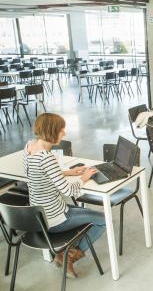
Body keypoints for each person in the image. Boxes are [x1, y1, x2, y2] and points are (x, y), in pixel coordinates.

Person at [23, 113, 105, 278]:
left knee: (82, 212)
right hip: (55, 218)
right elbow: (70, 191)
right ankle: (68, 255)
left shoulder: (29, 147)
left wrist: (67, 172)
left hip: (38, 216)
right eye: (61, 130)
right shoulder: (47, 158)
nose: (64, 133)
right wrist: (83, 178)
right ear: (52, 131)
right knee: (103, 220)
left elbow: (40, 174)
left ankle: (64, 253)